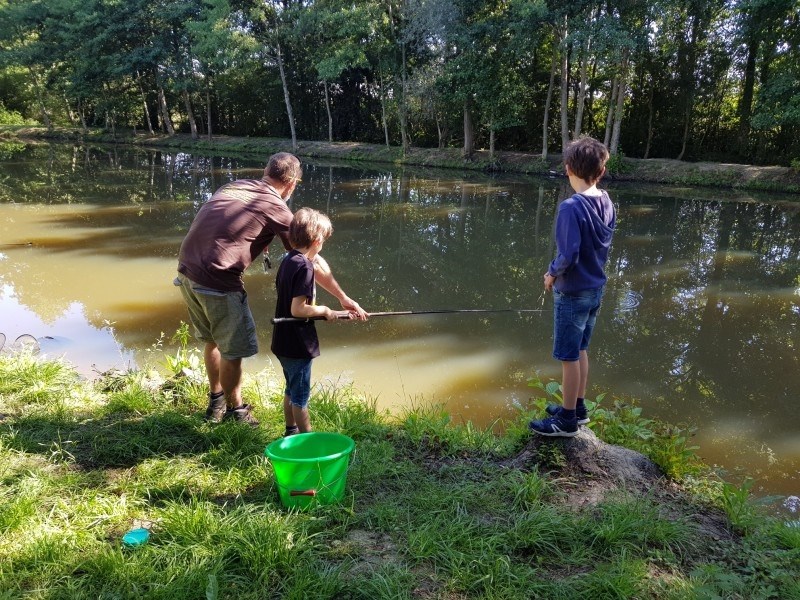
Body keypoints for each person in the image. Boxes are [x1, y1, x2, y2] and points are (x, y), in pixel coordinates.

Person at [175, 152, 367, 427]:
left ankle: (216, 400)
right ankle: (235, 412)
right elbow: (309, 259)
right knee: (233, 350)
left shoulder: (233, 186)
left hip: (186, 271)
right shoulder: (275, 205)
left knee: (213, 340)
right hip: (218, 280)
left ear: (266, 172)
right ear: (291, 183)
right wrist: (342, 298)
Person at [529, 137, 616, 437]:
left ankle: (566, 421)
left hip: (573, 293)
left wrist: (551, 274)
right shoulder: (606, 201)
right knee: (581, 349)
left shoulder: (570, 208)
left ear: (568, 169)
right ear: (601, 171)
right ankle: (578, 408)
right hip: (595, 290)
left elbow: (568, 255)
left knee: (568, 355)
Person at [271, 208, 355, 436]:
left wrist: (337, 306)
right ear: (317, 241)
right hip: (298, 344)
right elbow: (298, 309)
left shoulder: (289, 260)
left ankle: (290, 432)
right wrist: (326, 310)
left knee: (290, 389)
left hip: (282, 340)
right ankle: (308, 440)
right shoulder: (306, 268)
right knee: (300, 397)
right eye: (324, 241)